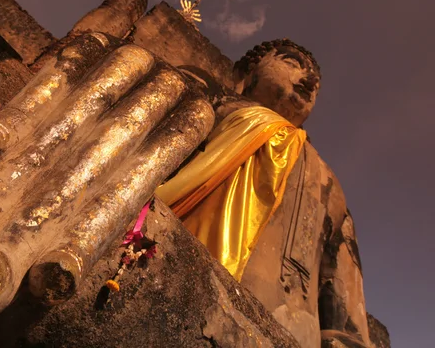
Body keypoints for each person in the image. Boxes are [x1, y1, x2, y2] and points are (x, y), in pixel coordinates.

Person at [156, 38, 372, 347]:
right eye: (292, 64)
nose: (309, 81)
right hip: (171, 284)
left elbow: (345, 322)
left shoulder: (331, 188)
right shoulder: (209, 99)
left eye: (317, 84)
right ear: (247, 72)